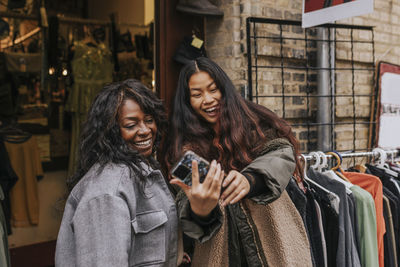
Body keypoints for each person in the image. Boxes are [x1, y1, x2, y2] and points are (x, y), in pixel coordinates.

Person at [55, 79, 223, 267]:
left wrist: (201, 209)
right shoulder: (107, 194)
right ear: (110, 132)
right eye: (131, 125)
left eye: (149, 120)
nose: (145, 130)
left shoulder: (145, 170)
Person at [165, 57, 313, 266]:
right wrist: (201, 210)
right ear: (187, 101)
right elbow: (191, 224)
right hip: (220, 255)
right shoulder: (184, 147)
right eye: (197, 94)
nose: (207, 99)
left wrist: (250, 180)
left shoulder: (253, 122)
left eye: (213, 89)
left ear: (224, 89)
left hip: (275, 247)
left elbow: (281, 155)